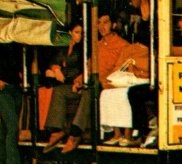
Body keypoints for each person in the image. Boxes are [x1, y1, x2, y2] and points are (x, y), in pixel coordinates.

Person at [43, 13, 128, 154]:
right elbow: (87, 68)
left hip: (106, 85)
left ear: (113, 25)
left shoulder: (122, 45)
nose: (102, 26)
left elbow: (120, 69)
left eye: (105, 22)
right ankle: (56, 131)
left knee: (89, 90)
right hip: (90, 83)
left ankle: (75, 134)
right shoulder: (97, 45)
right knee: (61, 90)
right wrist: (78, 81)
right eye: (99, 22)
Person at [100, 32, 150, 146]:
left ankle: (128, 135)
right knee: (107, 93)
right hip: (127, 79)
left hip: (142, 80)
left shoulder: (152, 51)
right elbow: (119, 66)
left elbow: (152, 71)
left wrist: (135, 70)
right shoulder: (129, 49)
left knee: (124, 94)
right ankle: (117, 134)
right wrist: (111, 79)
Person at [41, 23, 84, 153]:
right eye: (77, 32)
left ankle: (56, 132)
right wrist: (56, 68)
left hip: (76, 85)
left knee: (59, 91)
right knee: (54, 90)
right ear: (70, 33)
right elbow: (55, 61)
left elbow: (82, 69)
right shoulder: (64, 48)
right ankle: (56, 131)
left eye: (81, 33)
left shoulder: (81, 49)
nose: (80, 36)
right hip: (65, 83)